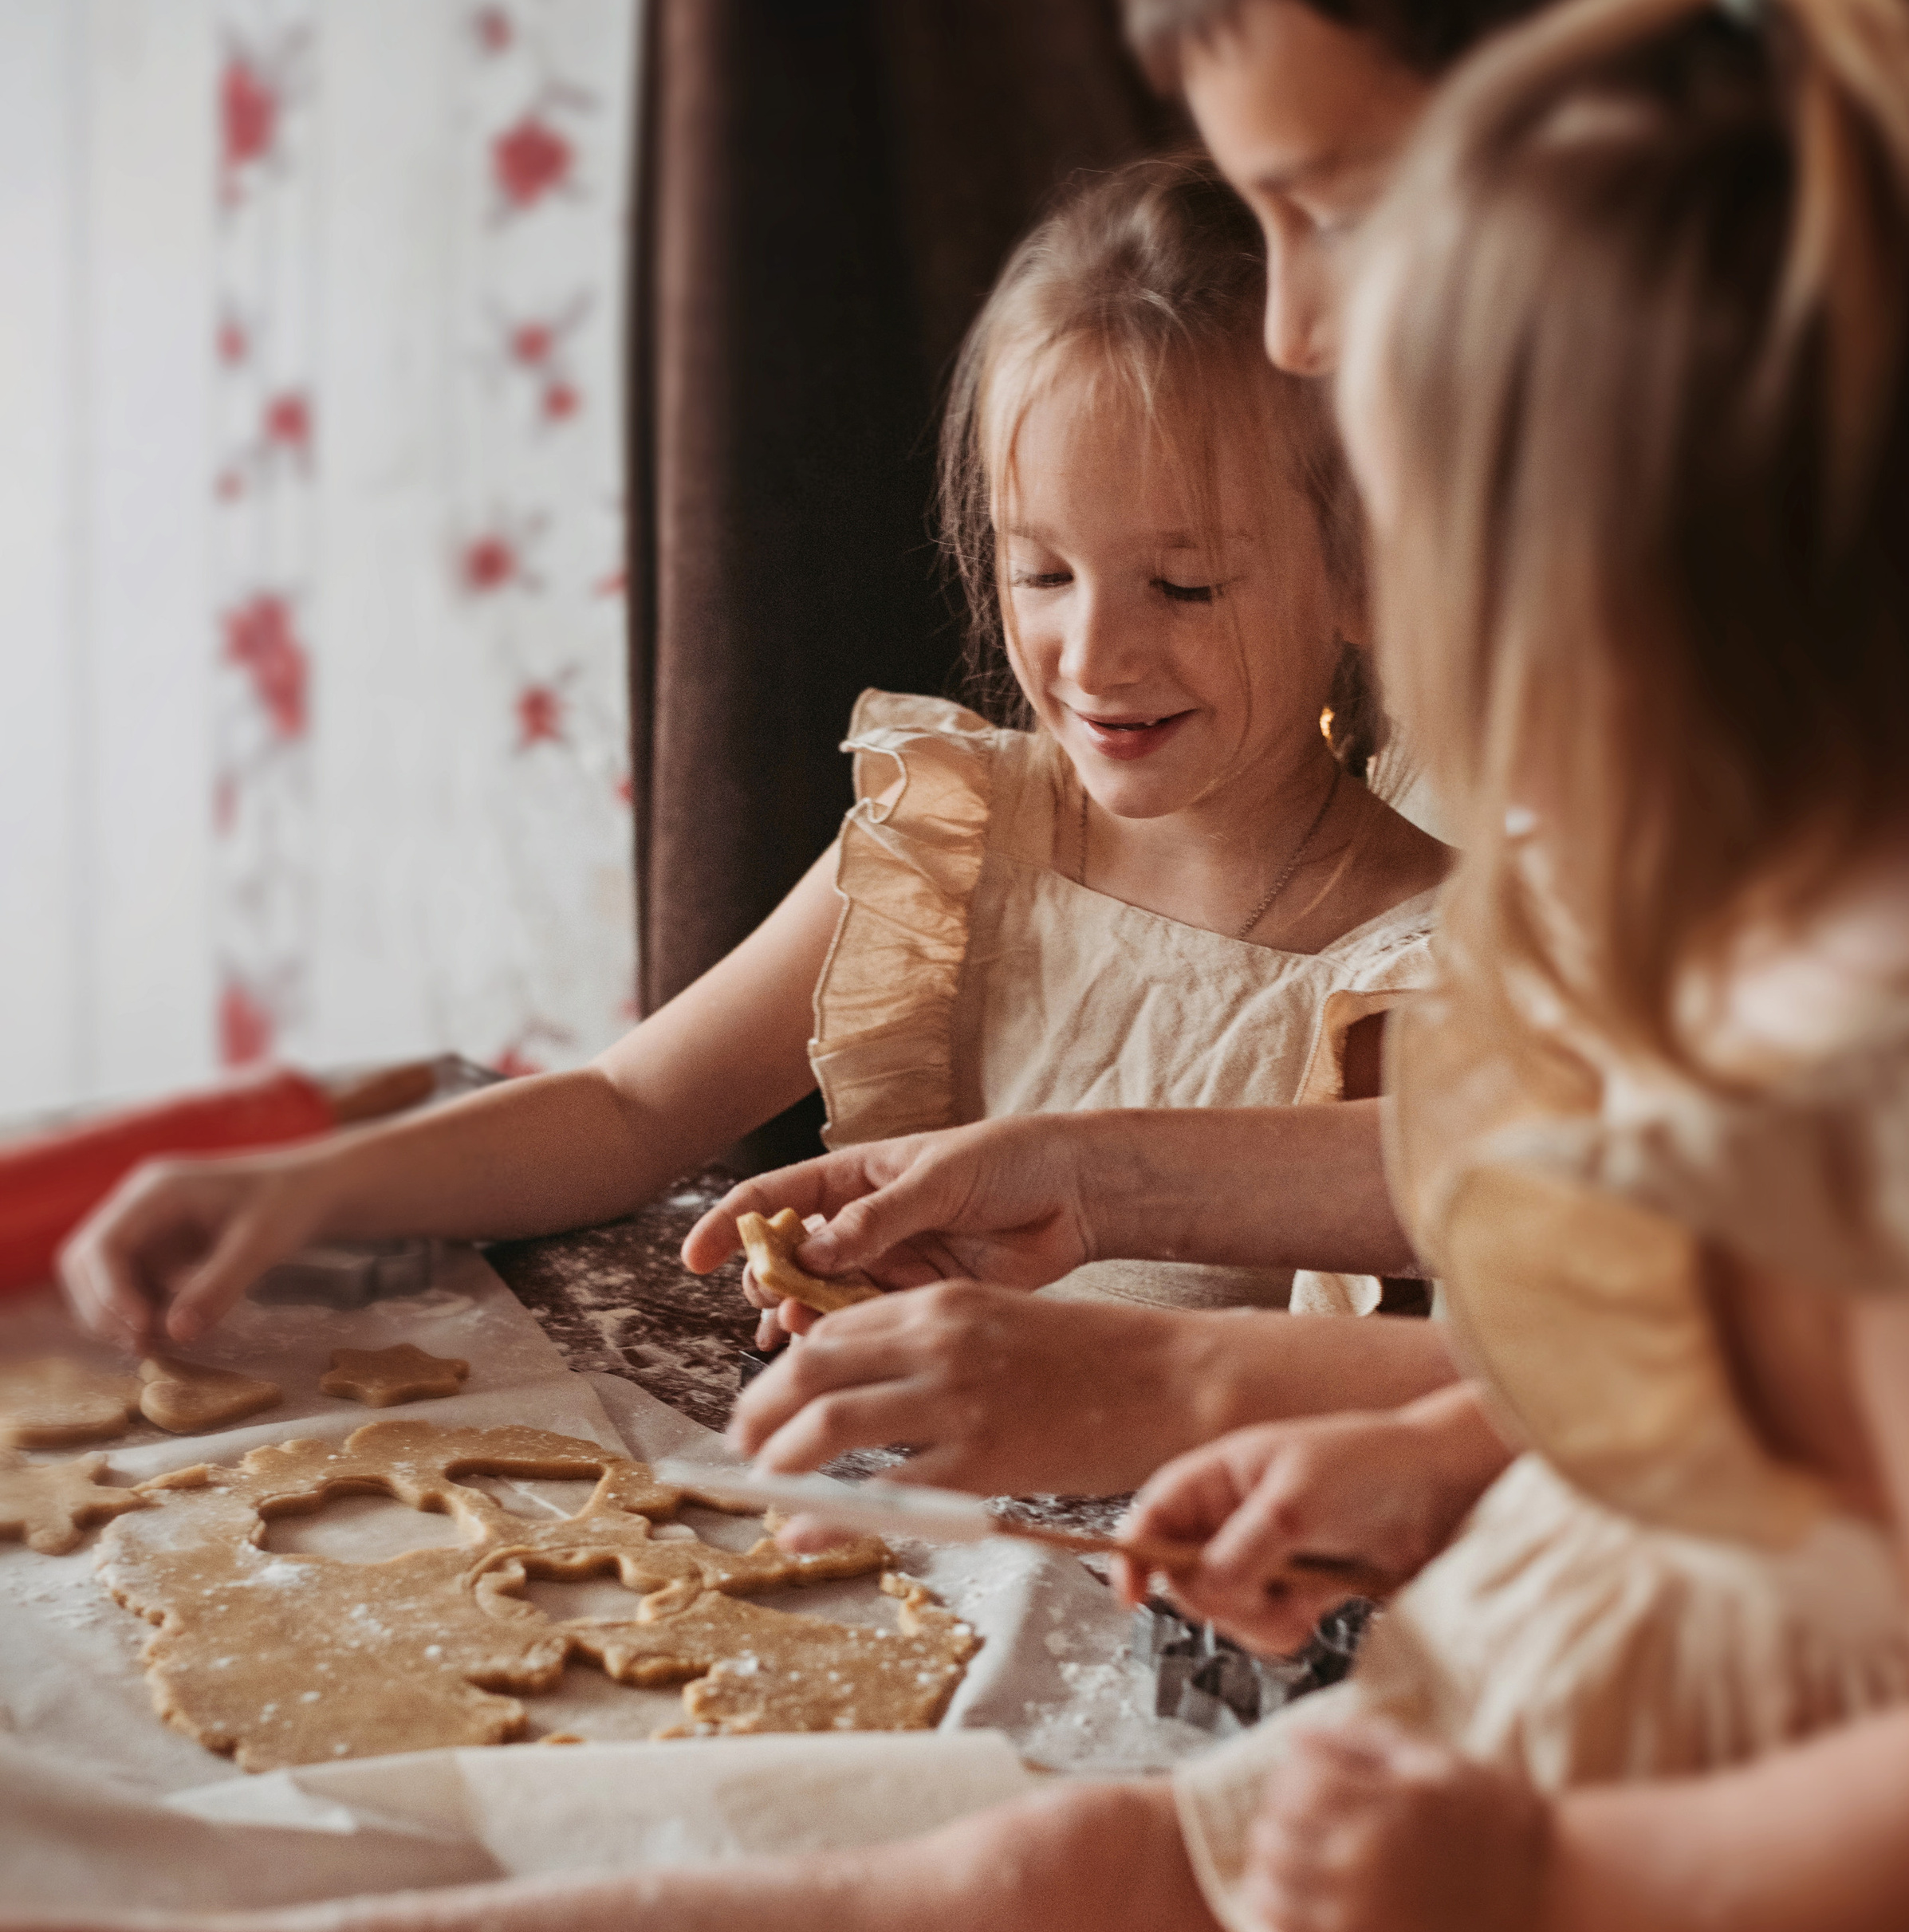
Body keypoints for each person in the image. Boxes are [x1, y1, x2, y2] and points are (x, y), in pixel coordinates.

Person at [10, 0, 1909, 1932]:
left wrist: (1551, 1882)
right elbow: (1753, 1392)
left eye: (1457, 577)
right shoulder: (1755, 957)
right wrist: (1447, 1455)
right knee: (1075, 1874)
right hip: (1573, 1762)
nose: (1463, 699)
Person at [692, 0, 1870, 1495]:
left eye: (1339, 215)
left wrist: (1179, 1379)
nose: (1296, 331)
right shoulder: (1622, 602)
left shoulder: (1883, 675)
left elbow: (1834, 1379)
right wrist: (1091, 1181)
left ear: (1626, 159)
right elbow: (1616, 1182)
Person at [60, 159, 1447, 1450]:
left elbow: (1431, 1399)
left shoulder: (1423, 964)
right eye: (1041, 572)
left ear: (1361, 573)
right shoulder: (957, 836)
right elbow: (627, 1107)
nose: (1092, 655)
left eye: (1184, 584)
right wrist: (298, 1189)